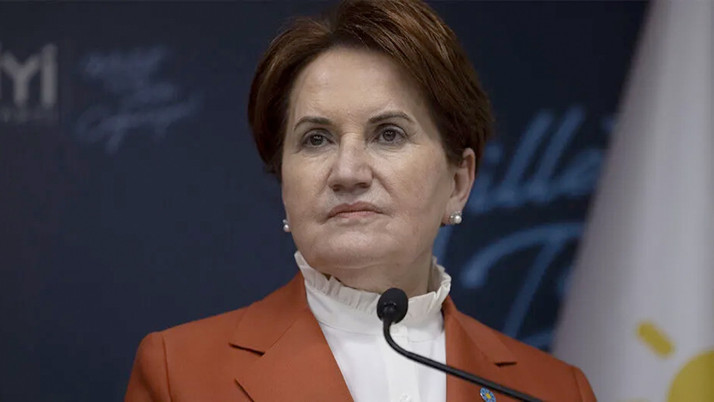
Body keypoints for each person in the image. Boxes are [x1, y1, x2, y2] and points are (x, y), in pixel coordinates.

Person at [125, 0, 596, 400]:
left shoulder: (555, 390)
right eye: (316, 139)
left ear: (458, 182)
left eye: (388, 134)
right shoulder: (179, 374)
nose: (348, 173)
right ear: (284, 181)